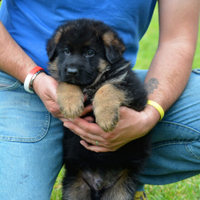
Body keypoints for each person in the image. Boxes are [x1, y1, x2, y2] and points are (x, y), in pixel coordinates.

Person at [0, 0, 199, 199]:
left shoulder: (114, 68)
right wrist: (34, 77)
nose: (72, 66)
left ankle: (127, 179)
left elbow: (178, 40)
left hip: (116, 141)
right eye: (67, 52)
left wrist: (149, 116)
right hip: (23, 81)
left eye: (89, 53)